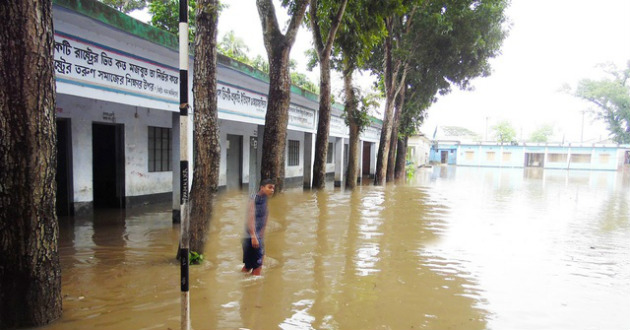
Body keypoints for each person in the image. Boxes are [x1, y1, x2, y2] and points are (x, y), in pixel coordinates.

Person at [241, 178, 275, 275]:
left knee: (248, 266)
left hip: (254, 236)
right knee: (258, 267)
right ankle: (254, 289)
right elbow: (250, 217)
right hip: (251, 237)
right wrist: (254, 236)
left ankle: (242, 282)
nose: (272, 190)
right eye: (269, 187)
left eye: (273, 188)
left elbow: (266, 215)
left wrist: (262, 233)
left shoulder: (265, 199)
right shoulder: (253, 199)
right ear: (262, 187)